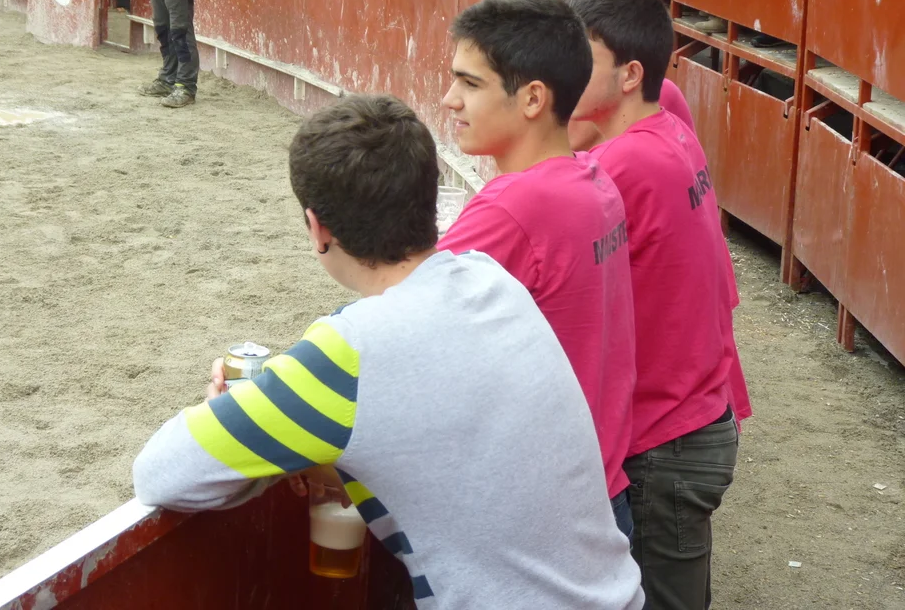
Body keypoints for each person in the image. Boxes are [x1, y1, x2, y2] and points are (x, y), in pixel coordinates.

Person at [132, 94, 644, 610]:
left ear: (318, 228)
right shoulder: (493, 280)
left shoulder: (350, 353)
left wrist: (234, 418)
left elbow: (159, 474)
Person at [566, 0, 749, 610]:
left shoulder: (619, 167)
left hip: (665, 442)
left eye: (581, 59)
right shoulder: (667, 126)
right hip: (693, 417)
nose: (563, 73)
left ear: (629, 75)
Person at [436, 0, 638, 540]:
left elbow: (394, 319)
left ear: (531, 99)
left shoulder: (515, 206)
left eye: (469, 83)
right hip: (599, 489)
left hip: (541, 512)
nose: (450, 100)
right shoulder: (594, 179)